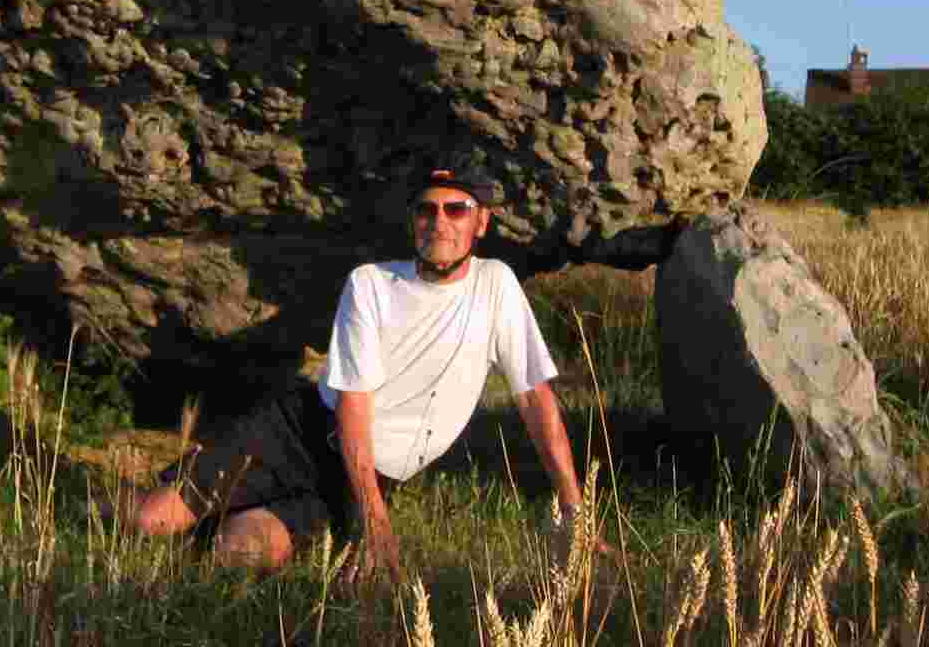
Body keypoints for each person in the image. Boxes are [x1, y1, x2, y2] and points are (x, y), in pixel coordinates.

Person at [124, 165, 584, 579]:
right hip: (300, 433)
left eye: (456, 209)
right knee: (151, 520)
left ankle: (210, 526)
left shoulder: (496, 285)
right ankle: (94, 509)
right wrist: (374, 520)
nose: (439, 222)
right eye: (426, 210)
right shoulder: (371, 284)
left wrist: (572, 508)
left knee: (239, 553)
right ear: (412, 220)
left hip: (362, 474)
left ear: (481, 222)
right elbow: (354, 403)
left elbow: (533, 398)